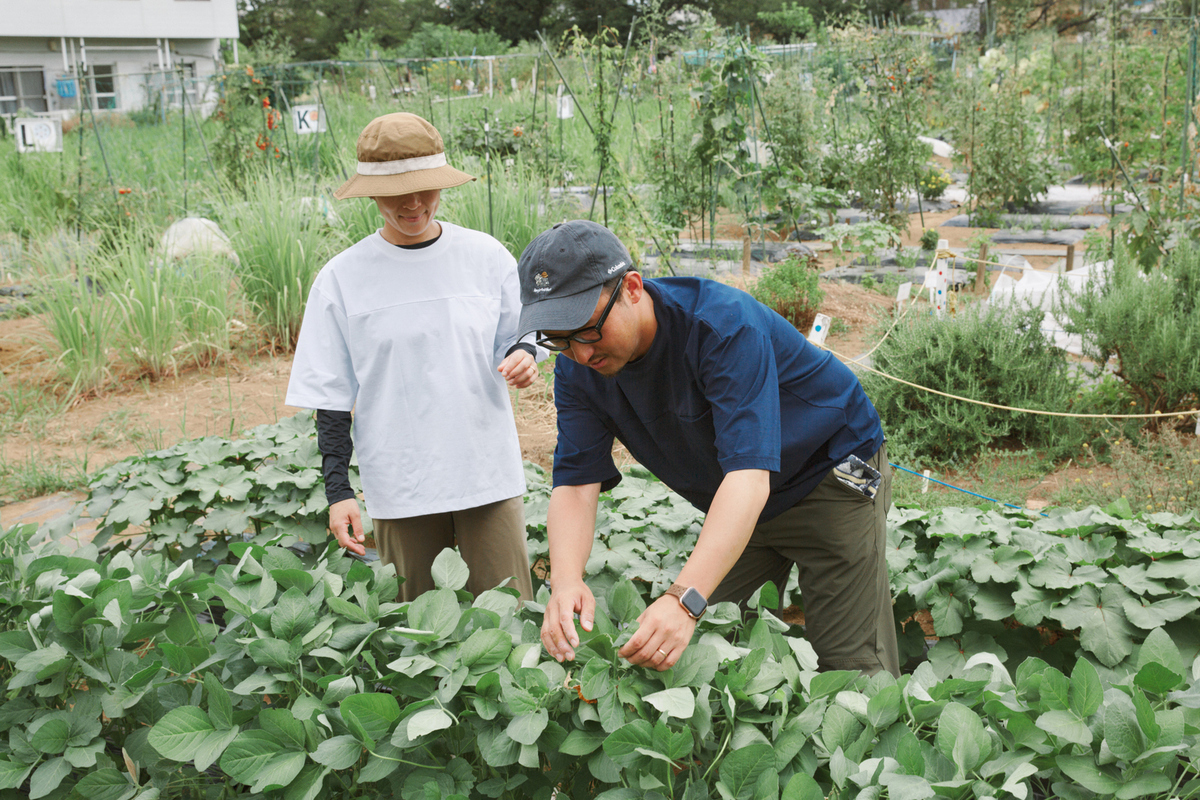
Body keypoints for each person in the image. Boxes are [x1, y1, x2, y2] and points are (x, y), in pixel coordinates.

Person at [518, 220, 898, 676]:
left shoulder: (721, 326)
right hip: (741, 501)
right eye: (559, 340)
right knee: (702, 652)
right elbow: (577, 483)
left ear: (633, 288)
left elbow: (748, 478)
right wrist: (564, 581)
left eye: (586, 329)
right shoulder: (580, 371)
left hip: (829, 475)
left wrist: (685, 599)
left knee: (852, 668)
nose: (580, 354)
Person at [286, 112, 539, 602]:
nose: (414, 203)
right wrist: (338, 490)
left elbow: (520, 334)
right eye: (397, 192)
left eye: (425, 187)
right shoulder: (342, 279)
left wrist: (525, 354)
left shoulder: (486, 258)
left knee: (510, 614)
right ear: (370, 193)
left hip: (484, 472)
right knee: (418, 629)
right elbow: (333, 398)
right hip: (401, 482)